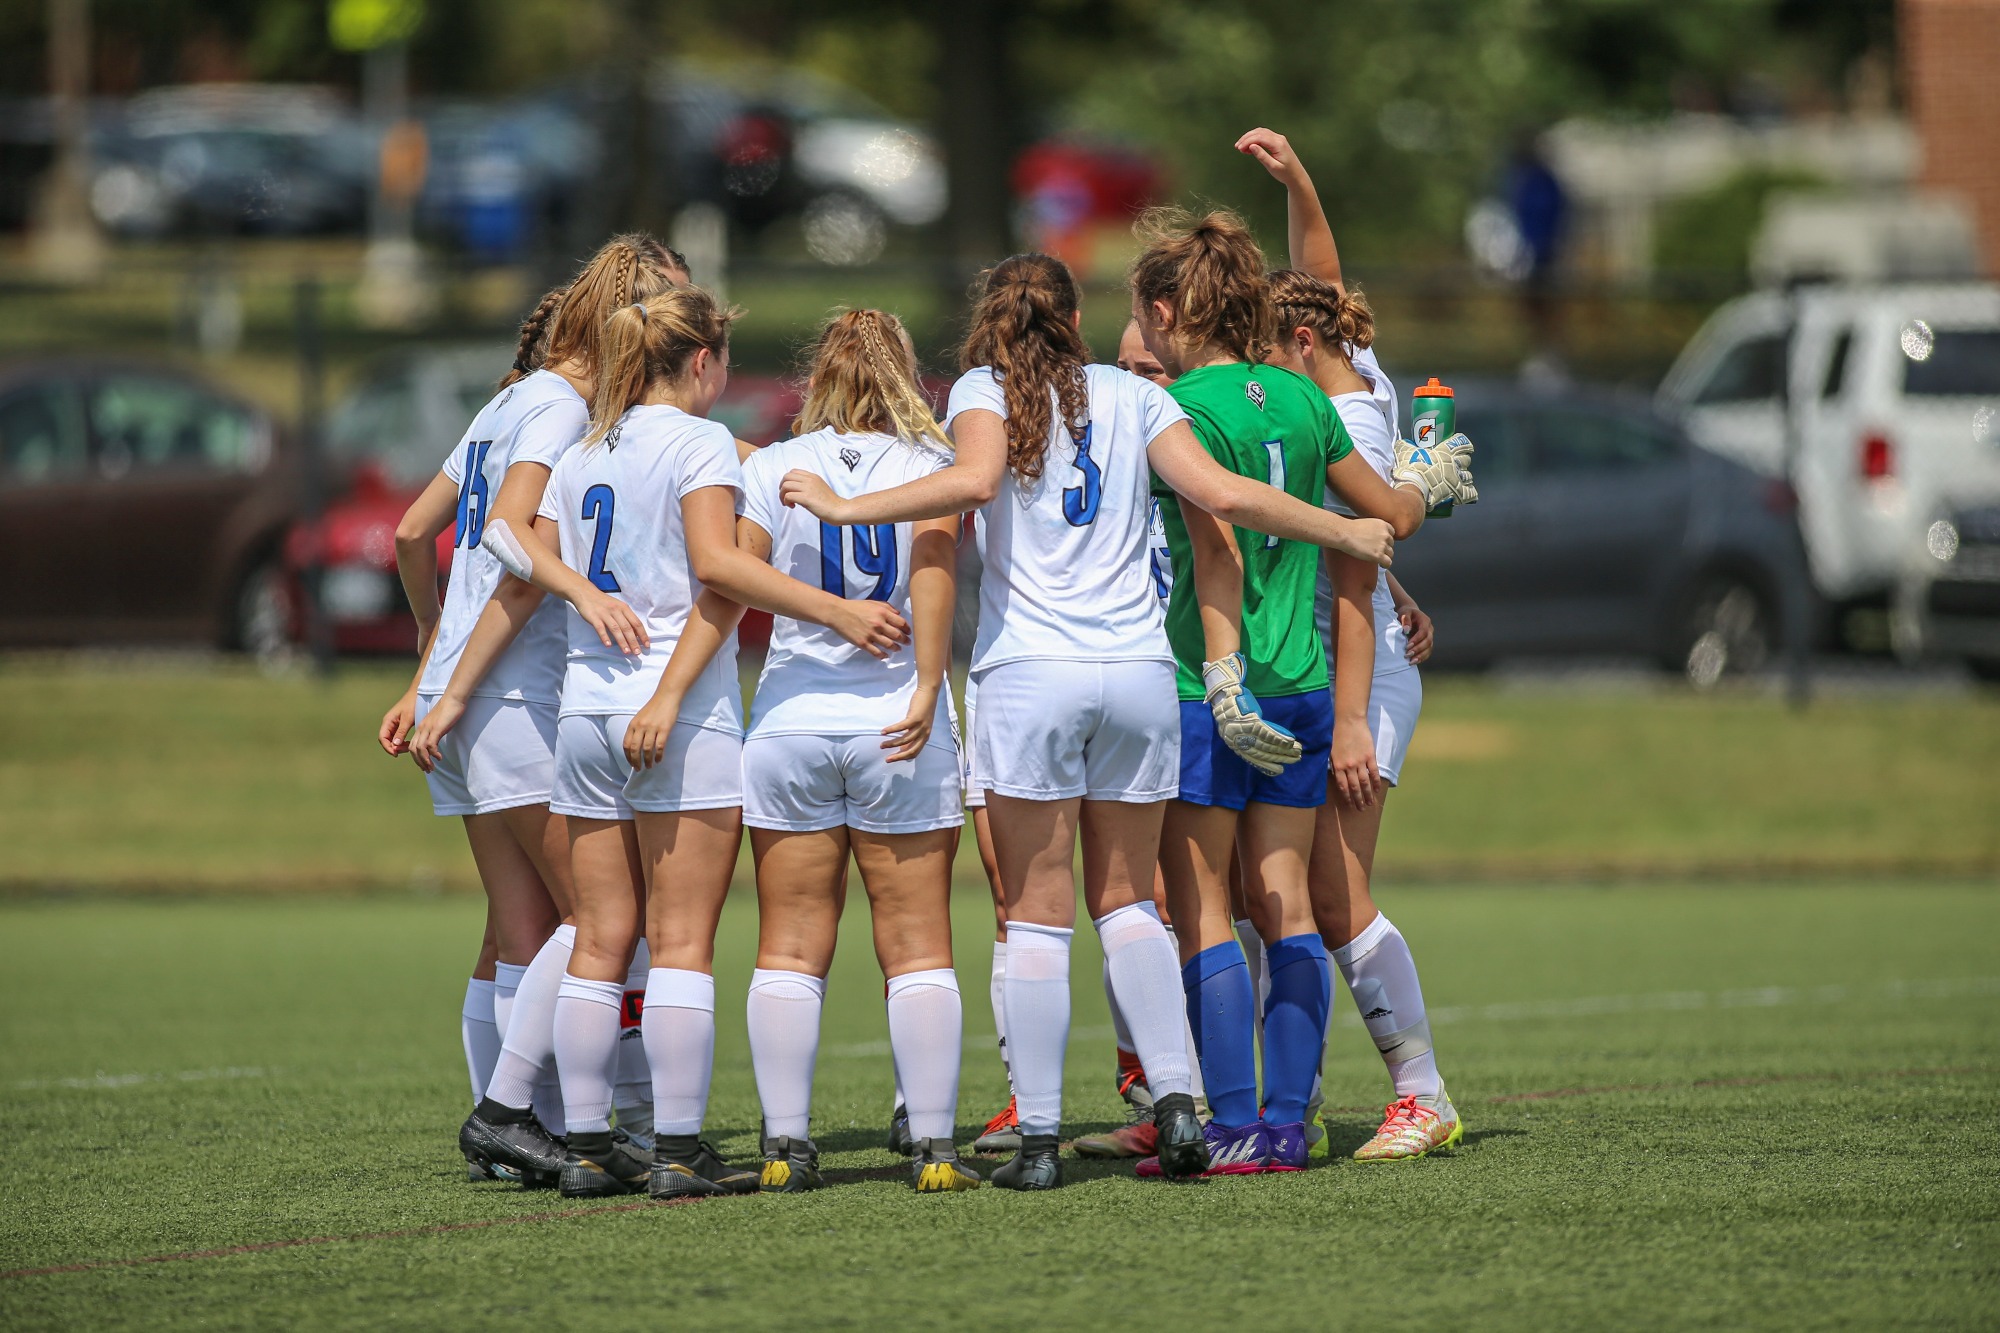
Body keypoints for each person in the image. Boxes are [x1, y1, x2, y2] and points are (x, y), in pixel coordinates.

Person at [778, 252, 1397, 1190]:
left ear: (994, 322)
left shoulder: (984, 388)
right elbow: (1222, 498)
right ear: (1076, 318)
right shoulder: (1134, 393)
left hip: (1033, 675)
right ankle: (1184, 1105)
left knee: (1035, 915)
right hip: (1143, 678)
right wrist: (1346, 529)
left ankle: (1037, 1137)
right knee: (1131, 902)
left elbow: (975, 482)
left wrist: (843, 503)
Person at [432, 285, 909, 1200]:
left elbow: (503, 534)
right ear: (702, 364)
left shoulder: (584, 447)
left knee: (599, 937)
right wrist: (839, 610)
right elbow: (721, 568)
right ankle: (680, 1151)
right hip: (676, 714)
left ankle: (580, 1145)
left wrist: (580, 592)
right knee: (680, 940)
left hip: (582, 713)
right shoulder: (697, 442)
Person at [1128, 205, 1469, 1178]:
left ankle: (1300, 1111)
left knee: (1254, 903)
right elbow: (1385, 518)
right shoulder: (1305, 399)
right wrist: (1421, 480)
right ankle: (1286, 1115)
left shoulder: (1199, 403)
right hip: (1306, 677)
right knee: (1276, 899)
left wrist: (1350, 708)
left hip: (1255, 674)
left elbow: (1249, 535)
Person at [376, 234, 687, 1180]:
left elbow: (410, 530)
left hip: (466, 695)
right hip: (508, 692)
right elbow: (511, 538)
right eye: (667, 311)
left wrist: (433, 652)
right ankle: (519, 1113)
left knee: (520, 928)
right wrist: (476, 666)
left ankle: (519, 1137)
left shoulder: (509, 398)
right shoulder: (558, 410)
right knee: (600, 915)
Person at [1243, 126, 1466, 1159]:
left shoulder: (1346, 420)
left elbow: (1350, 557)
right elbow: (1320, 279)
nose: (1250, 361)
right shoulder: (1340, 368)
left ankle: (1420, 1093)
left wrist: (1345, 723)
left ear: (1294, 346)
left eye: (1260, 342)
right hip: (1338, 657)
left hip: (1352, 676)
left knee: (1332, 894)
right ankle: (1256, 1101)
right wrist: (1300, 179)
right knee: (1267, 891)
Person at [736, 308, 980, 1193]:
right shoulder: (929, 467)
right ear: (906, 375)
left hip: (793, 720)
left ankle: (785, 1147)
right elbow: (935, 577)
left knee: (790, 945)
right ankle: (935, 1148)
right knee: (917, 943)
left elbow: (738, 571)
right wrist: (924, 684)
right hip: (897, 724)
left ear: (820, 377)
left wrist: (820, 612)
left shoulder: (769, 464)